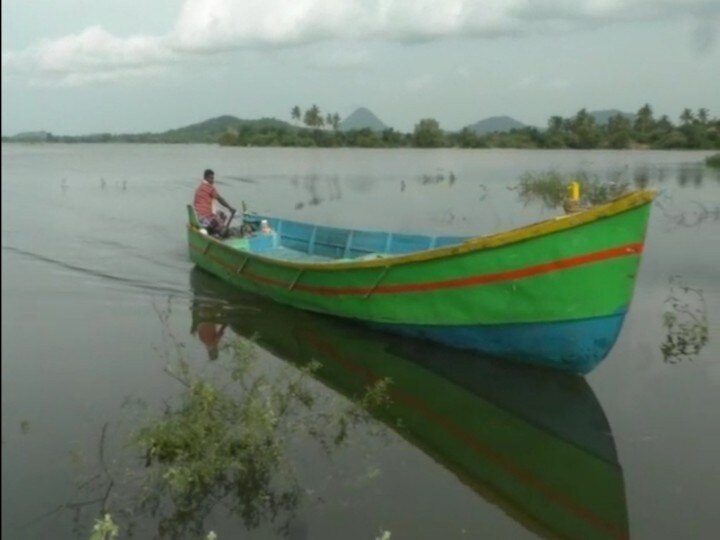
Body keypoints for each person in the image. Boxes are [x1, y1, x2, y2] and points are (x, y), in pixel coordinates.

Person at [193, 169, 235, 235]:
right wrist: (230, 208)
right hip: (205, 217)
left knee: (222, 215)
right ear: (205, 178)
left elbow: (196, 203)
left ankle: (214, 230)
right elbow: (219, 198)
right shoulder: (209, 187)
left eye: (213, 178)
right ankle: (218, 231)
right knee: (224, 228)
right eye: (210, 178)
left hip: (200, 216)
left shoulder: (200, 187)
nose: (212, 180)